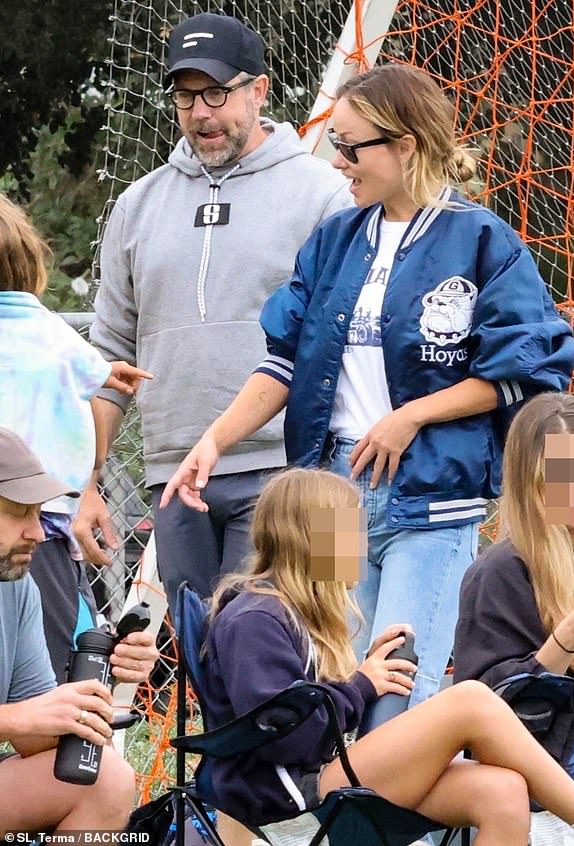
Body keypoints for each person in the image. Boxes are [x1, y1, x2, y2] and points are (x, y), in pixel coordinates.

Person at [161, 63, 574, 705]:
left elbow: (527, 374)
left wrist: (410, 416)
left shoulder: (482, 240)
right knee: (340, 689)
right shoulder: (335, 238)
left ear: (405, 145)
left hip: (430, 500)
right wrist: (213, 441)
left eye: (351, 148)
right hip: (334, 500)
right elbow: (283, 364)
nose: (338, 163)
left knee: (402, 702)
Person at [76, 11, 352, 615]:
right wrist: (88, 482)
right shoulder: (137, 205)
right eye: (185, 95)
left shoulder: (323, 193)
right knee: (206, 661)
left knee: (282, 656)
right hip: (173, 473)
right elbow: (109, 355)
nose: (201, 112)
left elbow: (344, 340)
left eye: (217, 93)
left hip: (293, 469)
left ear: (259, 90)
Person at [201, 466, 574, 845]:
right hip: (286, 799)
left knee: (502, 793)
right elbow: (285, 735)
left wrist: (363, 677)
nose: (362, 543)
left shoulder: (287, 613)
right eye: (352, 529)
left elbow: (301, 710)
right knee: (469, 700)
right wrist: (360, 687)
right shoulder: (255, 618)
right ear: (309, 539)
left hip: (319, 775)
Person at [0, 193, 152, 682]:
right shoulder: (51, 332)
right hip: (47, 519)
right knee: (70, 662)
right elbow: (100, 384)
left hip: (28, 522)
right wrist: (90, 476)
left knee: (51, 667)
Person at [453, 392, 574, 788]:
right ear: (529, 481)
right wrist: (566, 639)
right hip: (567, 745)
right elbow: (484, 712)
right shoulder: (499, 573)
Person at [0, 428, 159, 834]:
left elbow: (35, 740)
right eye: (20, 512)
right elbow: (20, 721)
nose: (38, 532)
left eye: (39, 513)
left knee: (105, 780)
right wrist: (13, 718)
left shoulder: (16, 588)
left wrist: (105, 677)